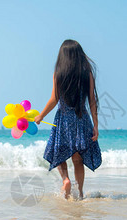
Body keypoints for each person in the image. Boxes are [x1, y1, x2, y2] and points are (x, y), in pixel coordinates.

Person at [34, 39, 101, 200]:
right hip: (82, 119)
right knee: (78, 159)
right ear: (79, 55)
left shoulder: (58, 74)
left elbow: (54, 99)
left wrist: (41, 115)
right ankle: (80, 192)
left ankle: (66, 180)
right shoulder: (87, 74)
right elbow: (92, 101)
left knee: (57, 153)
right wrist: (96, 126)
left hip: (63, 119)